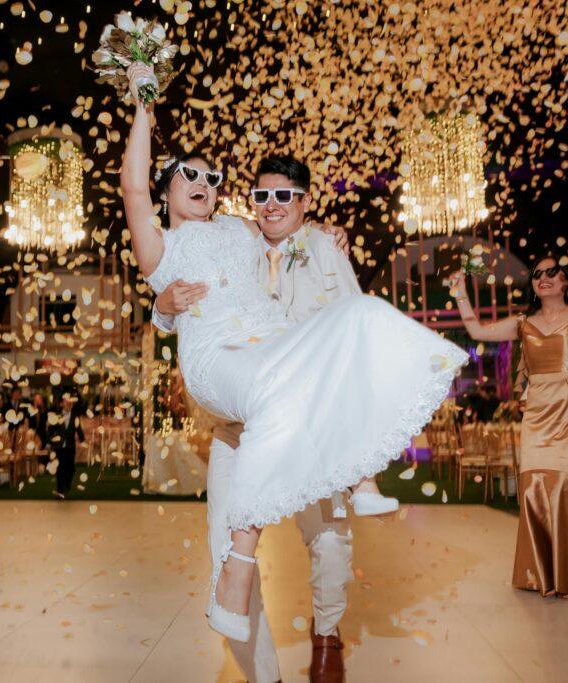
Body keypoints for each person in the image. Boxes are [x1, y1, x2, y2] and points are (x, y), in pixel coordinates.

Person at [121, 62, 467, 642]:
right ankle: (238, 566)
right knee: (275, 393)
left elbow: (285, 221)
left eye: (211, 176)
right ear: (166, 189)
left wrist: (326, 230)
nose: (204, 182)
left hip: (277, 345)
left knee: (361, 315)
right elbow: (132, 187)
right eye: (189, 175)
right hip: (219, 356)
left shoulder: (240, 229)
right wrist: (142, 103)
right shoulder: (161, 245)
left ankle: (359, 476)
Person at [153, 154, 389, 681]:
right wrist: (163, 308)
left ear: (304, 202)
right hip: (237, 428)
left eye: (285, 196)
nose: (272, 205)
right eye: (262, 196)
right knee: (226, 547)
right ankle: (265, 675)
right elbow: (180, 285)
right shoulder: (235, 242)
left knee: (330, 541)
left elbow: (354, 323)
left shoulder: (324, 248)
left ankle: (326, 634)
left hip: (306, 420)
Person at [448, 258, 568, 604]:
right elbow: (478, 332)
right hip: (539, 412)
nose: (543, 278)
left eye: (551, 272)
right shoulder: (523, 323)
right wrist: (460, 294)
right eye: (537, 274)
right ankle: (544, 574)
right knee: (535, 485)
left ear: (566, 280)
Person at [48, 395, 84, 497]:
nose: (68, 403)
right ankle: (60, 490)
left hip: (70, 447)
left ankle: (67, 485)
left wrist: (82, 440)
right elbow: (50, 430)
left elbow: (78, 429)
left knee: (70, 468)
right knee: (60, 468)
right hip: (59, 447)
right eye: (66, 401)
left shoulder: (75, 416)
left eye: (70, 402)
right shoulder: (57, 416)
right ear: (62, 404)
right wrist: (49, 442)